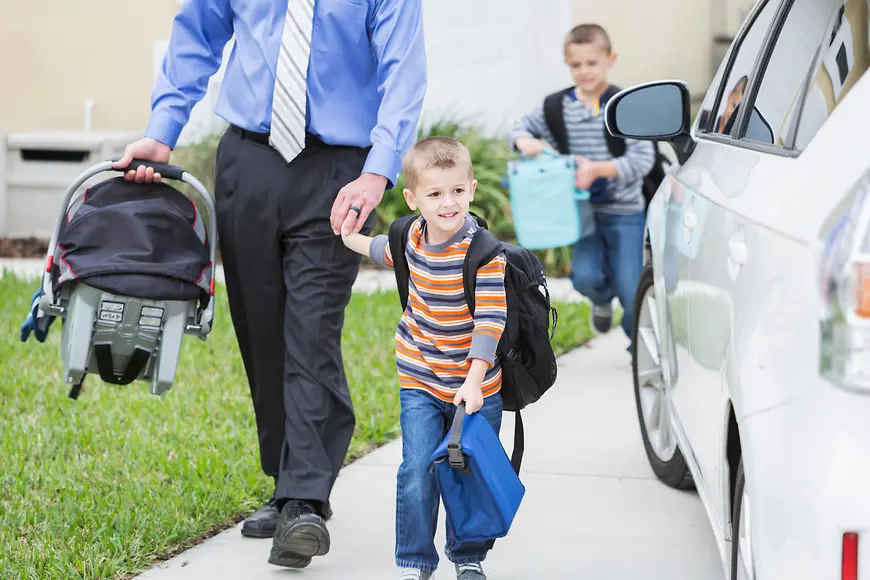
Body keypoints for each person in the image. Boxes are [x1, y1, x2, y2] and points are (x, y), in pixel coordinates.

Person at [111, 0, 427, 569]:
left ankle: (306, 498)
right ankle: (286, 483)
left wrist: (378, 170)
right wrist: (164, 131)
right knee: (261, 330)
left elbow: (403, 70)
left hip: (340, 172)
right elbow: (197, 37)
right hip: (248, 161)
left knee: (312, 330)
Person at [340, 137, 507, 580]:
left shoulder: (484, 253)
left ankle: (468, 556)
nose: (448, 203)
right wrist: (349, 236)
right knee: (416, 468)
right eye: (435, 194)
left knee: (467, 472)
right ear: (413, 199)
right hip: (419, 376)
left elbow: (491, 320)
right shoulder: (410, 236)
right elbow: (382, 251)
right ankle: (415, 560)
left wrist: (474, 380)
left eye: (456, 191)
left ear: (471, 189)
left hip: (475, 386)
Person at [508, 23, 655, 348]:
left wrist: (597, 170)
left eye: (592, 63)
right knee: (586, 277)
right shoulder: (557, 107)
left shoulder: (624, 105)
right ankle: (601, 300)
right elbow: (521, 126)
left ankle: (639, 347)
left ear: (610, 59)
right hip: (580, 213)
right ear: (567, 63)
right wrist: (522, 140)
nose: (584, 71)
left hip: (624, 212)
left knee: (631, 285)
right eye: (576, 65)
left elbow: (643, 159)